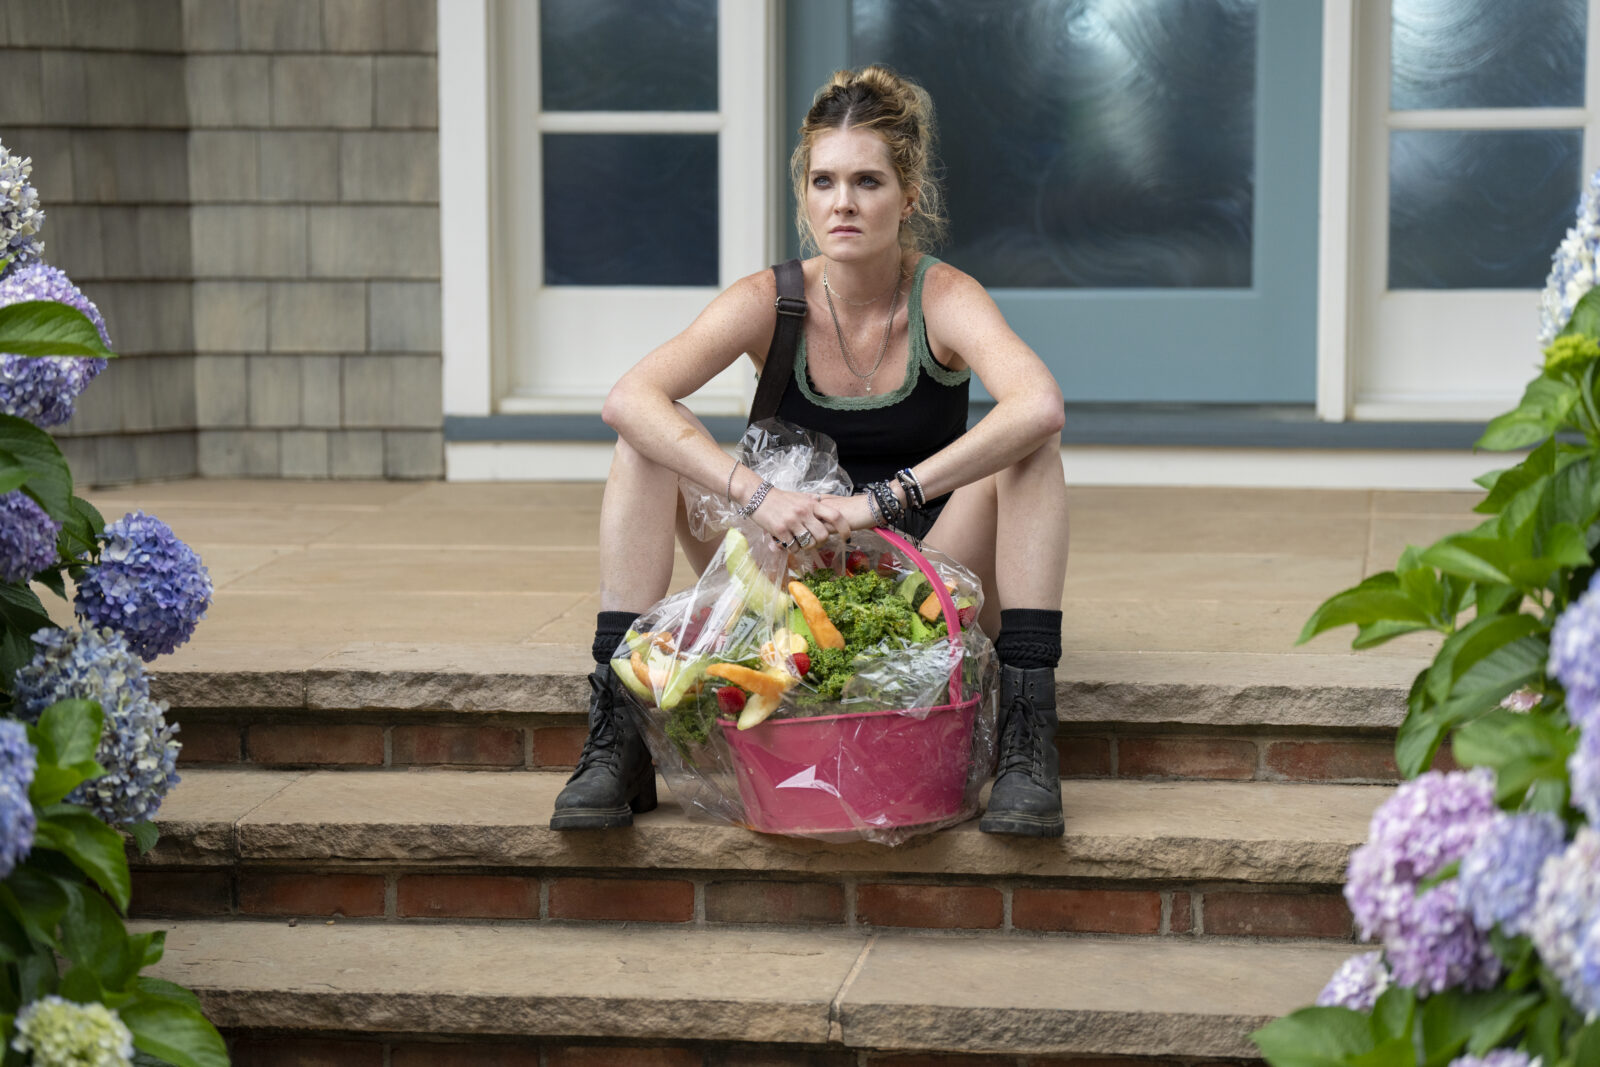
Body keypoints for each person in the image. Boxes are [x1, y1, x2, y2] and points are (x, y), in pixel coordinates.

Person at [550, 65, 1070, 837]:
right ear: (804, 196)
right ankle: (618, 735)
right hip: (787, 569)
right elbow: (629, 398)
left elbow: (1040, 403)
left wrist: (881, 500)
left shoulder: (944, 297)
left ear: (909, 196)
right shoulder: (773, 300)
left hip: (928, 577)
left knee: (1030, 449)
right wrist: (759, 496)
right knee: (644, 442)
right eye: (824, 182)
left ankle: (1028, 738)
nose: (843, 203)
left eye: (868, 181)